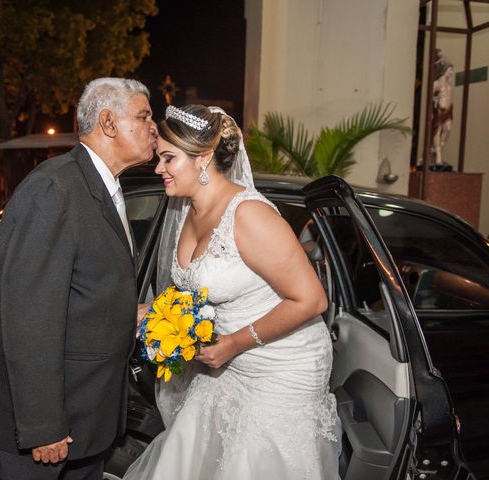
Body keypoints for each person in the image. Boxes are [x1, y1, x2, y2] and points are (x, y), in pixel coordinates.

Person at [124, 105, 341, 479]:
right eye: (160, 158)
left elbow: (312, 299)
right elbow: (193, 292)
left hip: (282, 365)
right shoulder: (186, 210)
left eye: (168, 158)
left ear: (204, 157)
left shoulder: (250, 215)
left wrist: (235, 343)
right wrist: (152, 313)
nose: (159, 168)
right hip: (227, 359)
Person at [0, 77, 158, 480]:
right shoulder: (53, 189)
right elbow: (27, 317)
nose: (153, 127)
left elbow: (82, 286)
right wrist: (42, 425)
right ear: (107, 122)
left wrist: (127, 312)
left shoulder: (105, 187)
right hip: (43, 432)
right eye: (143, 116)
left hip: (86, 422)